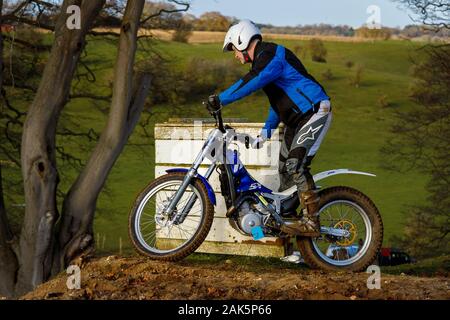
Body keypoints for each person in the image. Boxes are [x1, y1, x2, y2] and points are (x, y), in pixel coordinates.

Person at [206, 20, 332, 237]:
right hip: (296, 120)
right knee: (284, 170)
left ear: (242, 40)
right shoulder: (264, 64)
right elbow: (277, 106)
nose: (235, 56)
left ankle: (312, 222)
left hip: (314, 111)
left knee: (296, 166)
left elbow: (253, 81)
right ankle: (289, 224)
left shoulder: (271, 54)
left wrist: (221, 99)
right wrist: (263, 136)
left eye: (234, 50)